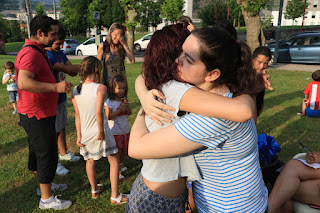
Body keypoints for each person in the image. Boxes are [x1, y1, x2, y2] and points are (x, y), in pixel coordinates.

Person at [129, 27, 268, 213]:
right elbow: (145, 77)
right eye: (181, 52)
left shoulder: (213, 119)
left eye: (188, 58)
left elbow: (136, 148)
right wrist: (145, 96)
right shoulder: (231, 91)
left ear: (212, 74)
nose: (177, 60)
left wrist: (145, 109)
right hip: (250, 202)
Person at [15, 15, 72, 210]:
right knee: (47, 154)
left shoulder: (37, 50)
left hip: (38, 113)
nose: (56, 37)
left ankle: (44, 187)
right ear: (40, 33)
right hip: (36, 114)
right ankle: (47, 199)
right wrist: (56, 88)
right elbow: (23, 82)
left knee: (38, 153)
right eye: (52, 34)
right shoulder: (30, 53)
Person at [72, 56, 127, 203]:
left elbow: (77, 115)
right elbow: (98, 112)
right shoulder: (100, 88)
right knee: (114, 160)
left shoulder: (75, 90)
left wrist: (78, 136)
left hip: (85, 133)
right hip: (99, 130)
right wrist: (101, 131)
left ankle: (94, 190)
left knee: (90, 161)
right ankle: (115, 196)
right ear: (96, 69)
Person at [45, 24, 81, 176]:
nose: (61, 46)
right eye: (57, 43)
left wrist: (74, 69)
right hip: (51, 99)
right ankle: (54, 162)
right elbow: (68, 69)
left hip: (61, 98)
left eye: (62, 43)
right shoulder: (48, 56)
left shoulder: (60, 53)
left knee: (62, 127)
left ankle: (63, 152)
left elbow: (71, 68)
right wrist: (91, 65)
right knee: (53, 130)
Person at [105, 74, 132, 180]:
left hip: (124, 130)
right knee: (116, 152)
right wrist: (119, 111)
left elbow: (129, 113)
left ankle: (120, 163)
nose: (122, 91)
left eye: (123, 88)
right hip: (114, 132)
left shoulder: (124, 100)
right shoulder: (109, 102)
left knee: (123, 151)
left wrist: (126, 108)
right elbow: (108, 116)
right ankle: (116, 170)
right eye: (119, 88)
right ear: (112, 88)